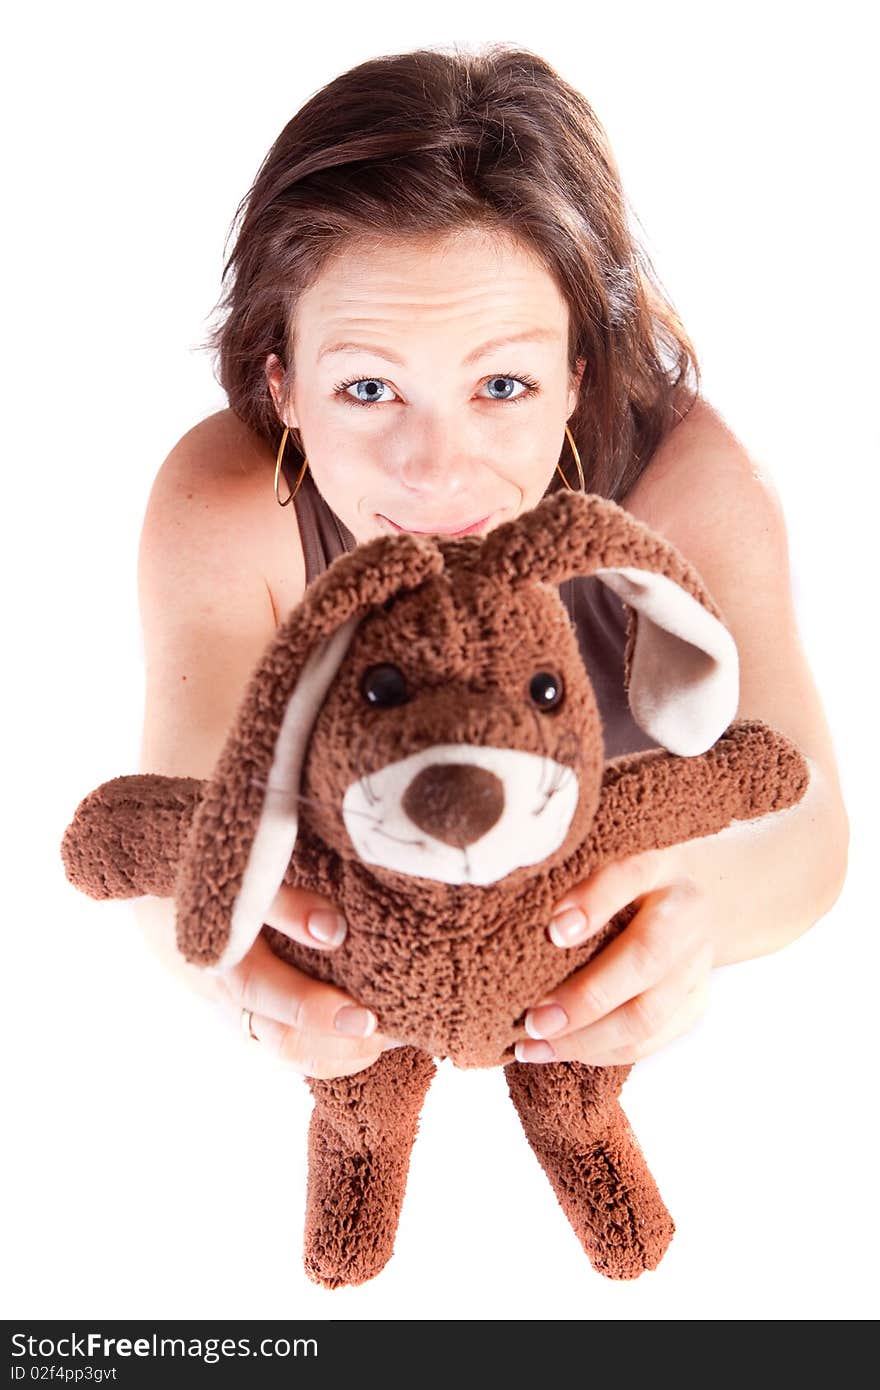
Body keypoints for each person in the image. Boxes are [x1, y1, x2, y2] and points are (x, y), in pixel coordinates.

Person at [134, 43, 849, 1081]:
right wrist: (240, 967)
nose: (435, 471)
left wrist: (695, 902)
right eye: (369, 390)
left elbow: (805, 821)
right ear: (282, 384)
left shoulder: (684, 485)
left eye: (501, 387)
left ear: (577, 374)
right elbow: (178, 825)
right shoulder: (228, 499)